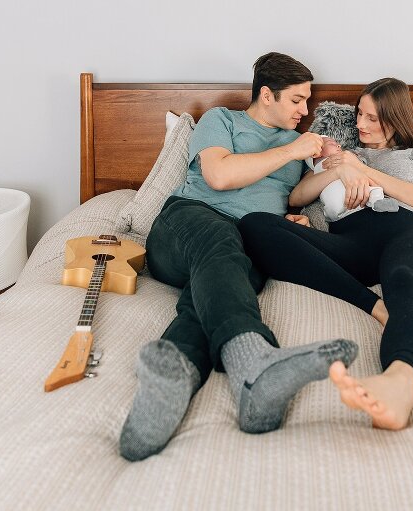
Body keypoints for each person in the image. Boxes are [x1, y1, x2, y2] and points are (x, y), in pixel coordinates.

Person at [119, 52, 358, 461]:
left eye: (307, 101)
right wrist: (292, 151)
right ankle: (254, 363)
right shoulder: (222, 121)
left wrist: (333, 173)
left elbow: (293, 195)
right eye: (297, 100)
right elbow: (220, 176)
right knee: (218, 239)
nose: (306, 110)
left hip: (247, 244)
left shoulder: (296, 145)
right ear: (266, 95)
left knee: (211, 291)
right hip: (188, 225)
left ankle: (171, 380)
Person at [239, 77, 413, 431]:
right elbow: (296, 198)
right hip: (353, 243)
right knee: (255, 225)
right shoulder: (335, 154)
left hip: (409, 234)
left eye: (372, 118)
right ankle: (373, 305)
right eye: (359, 115)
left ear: (395, 117)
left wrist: (363, 171)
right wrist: (340, 167)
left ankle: (401, 384)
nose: (360, 125)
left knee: (405, 281)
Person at [306, 136, 398, 221]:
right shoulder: (315, 172)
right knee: (373, 189)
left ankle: (377, 202)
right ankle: (376, 200)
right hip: (335, 205)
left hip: (353, 202)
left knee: (372, 188)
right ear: (315, 153)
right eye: (331, 143)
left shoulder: (345, 158)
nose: (338, 145)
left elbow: (361, 168)